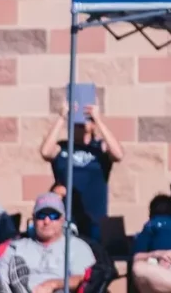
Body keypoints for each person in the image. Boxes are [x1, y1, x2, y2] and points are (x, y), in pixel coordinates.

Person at [40, 103, 125, 243]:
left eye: (86, 120)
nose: (81, 123)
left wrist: (98, 119)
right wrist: (62, 117)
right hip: (67, 220)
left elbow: (119, 155)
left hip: (95, 220)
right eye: (76, 121)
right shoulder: (62, 147)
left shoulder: (100, 147)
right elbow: (45, 152)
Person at [0, 193, 95, 293]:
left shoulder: (76, 246)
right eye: (41, 215)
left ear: (63, 219)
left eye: (53, 216)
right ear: (34, 218)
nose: (46, 221)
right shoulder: (16, 247)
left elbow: (82, 278)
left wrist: (52, 284)